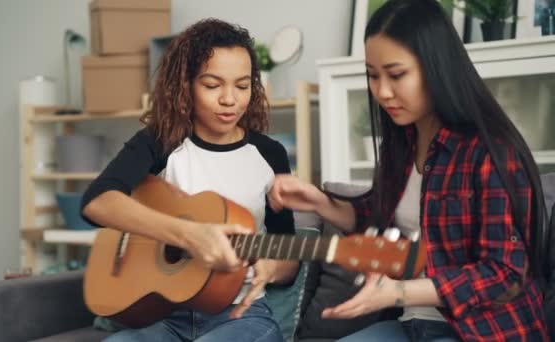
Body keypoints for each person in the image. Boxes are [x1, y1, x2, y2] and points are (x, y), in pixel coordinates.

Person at [268, 0, 550, 341]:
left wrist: (399, 293)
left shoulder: (491, 152)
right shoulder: (400, 147)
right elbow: (376, 219)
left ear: (436, 68)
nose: (383, 92)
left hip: (482, 331)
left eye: (397, 74)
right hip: (411, 324)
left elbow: (505, 274)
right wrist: (321, 204)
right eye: (373, 76)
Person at [81, 18, 298, 342]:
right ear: (186, 85)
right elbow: (98, 200)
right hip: (165, 315)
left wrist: (273, 267)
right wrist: (188, 235)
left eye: (242, 86)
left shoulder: (270, 154)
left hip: (242, 315)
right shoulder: (160, 141)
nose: (230, 99)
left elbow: (289, 255)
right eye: (212, 85)